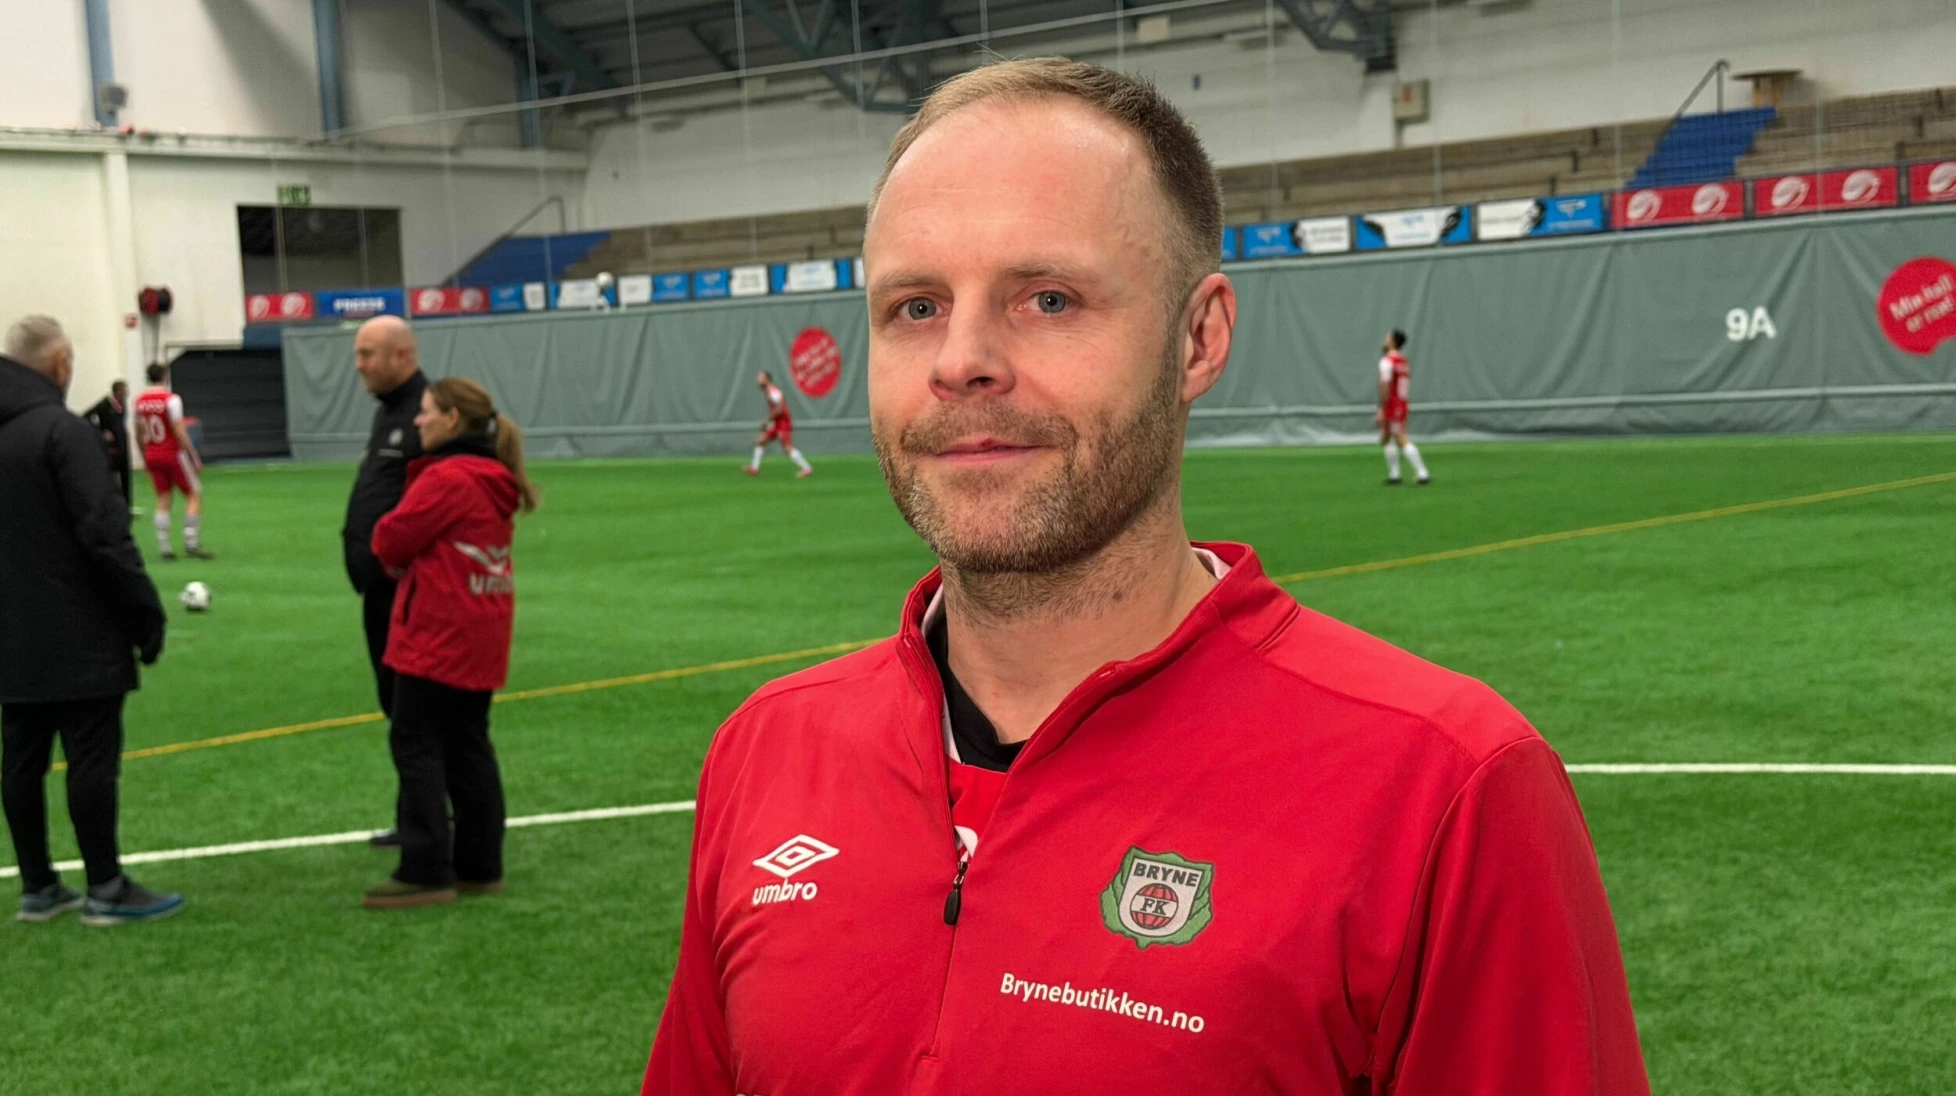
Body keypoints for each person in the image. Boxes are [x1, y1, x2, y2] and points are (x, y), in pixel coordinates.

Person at [644, 59, 1648, 1094]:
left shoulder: (1448, 790)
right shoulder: (766, 751)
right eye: (915, 306)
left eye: (1048, 298)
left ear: (1197, 339)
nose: (961, 359)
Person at [0, 315, 182, 925]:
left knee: (21, 759)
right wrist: (145, 617)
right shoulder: (63, 431)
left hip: (11, 631)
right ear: (59, 363)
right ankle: (105, 885)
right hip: (79, 628)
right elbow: (105, 534)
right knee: (90, 758)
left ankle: (39, 886)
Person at [360, 377, 535, 910]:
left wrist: (398, 559)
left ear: (452, 419)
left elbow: (390, 537)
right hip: (482, 627)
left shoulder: (447, 478)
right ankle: (481, 864)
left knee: (415, 742)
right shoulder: (493, 478)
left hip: (437, 630)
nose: (418, 420)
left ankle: (426, 867)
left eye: (427, 411)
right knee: (468, 745)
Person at [343, 315, 428, 848]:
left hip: (407, 594)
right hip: (379, 593)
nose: (359, 366)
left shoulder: (426, 414)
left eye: (367, 354)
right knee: (396, 707)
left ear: (403, 355)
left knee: (414, 714)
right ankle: (418, 816)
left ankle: (426, 826)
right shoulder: (388, 413)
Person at [1377, 329, 1430, 486]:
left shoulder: (1387, 361)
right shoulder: (1403, 361)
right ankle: (1394, 475)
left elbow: (1385, 385)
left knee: (1400, 437)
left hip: (1393, 404)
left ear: (1392, 341)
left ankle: (1422, 473)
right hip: (1402, 402)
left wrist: (1381, 408)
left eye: (1387, 337)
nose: (1385, 339)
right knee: (1389, 437)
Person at [743, 370, 813, 478]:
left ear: (766, 380)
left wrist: (767, 420)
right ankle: (754, 469)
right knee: (760, 441)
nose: (758, 380)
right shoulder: (768, 391)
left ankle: (807, 469)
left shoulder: (773, 391)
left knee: (787, 448)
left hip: (783, 422)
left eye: (760, 378)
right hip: (776, 422)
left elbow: (780, 410)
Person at [85, 380, 132, 510]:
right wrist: (101, 432)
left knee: (126, 475)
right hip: (111, 447)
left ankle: (127, 506)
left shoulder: (122, 404)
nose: (126, 393)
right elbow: (87, 416)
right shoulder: (104, 404)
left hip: (122, 443)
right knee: (110, 476)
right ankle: (110, 504)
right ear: (117, 391)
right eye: (124, 390)